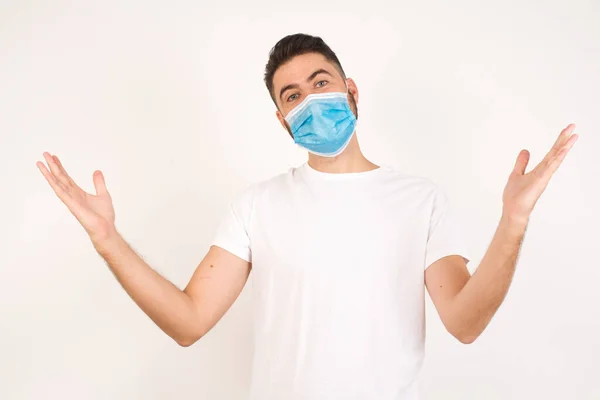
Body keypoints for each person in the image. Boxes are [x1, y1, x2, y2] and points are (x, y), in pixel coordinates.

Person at [36, 33, 578, 400]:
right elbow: (188, 322)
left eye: (321, 82)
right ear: (282, 120)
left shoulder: (420, 200)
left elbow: (464, 321)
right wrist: (108, 239)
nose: (311, 101)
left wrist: (513, 221)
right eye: (292, 95)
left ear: (351, 90)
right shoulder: (257, 205)